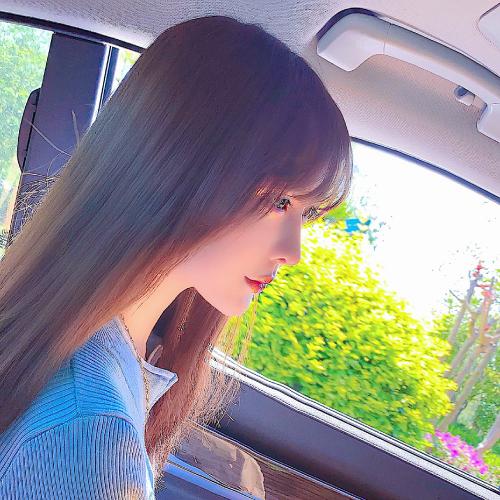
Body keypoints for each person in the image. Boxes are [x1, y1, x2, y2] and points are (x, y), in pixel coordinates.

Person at [0, 14, 352, 499]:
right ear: (184, 168)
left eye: (305, 213)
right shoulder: (91, 436)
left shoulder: (90, 352)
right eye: (280, 201)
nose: (293, 252)